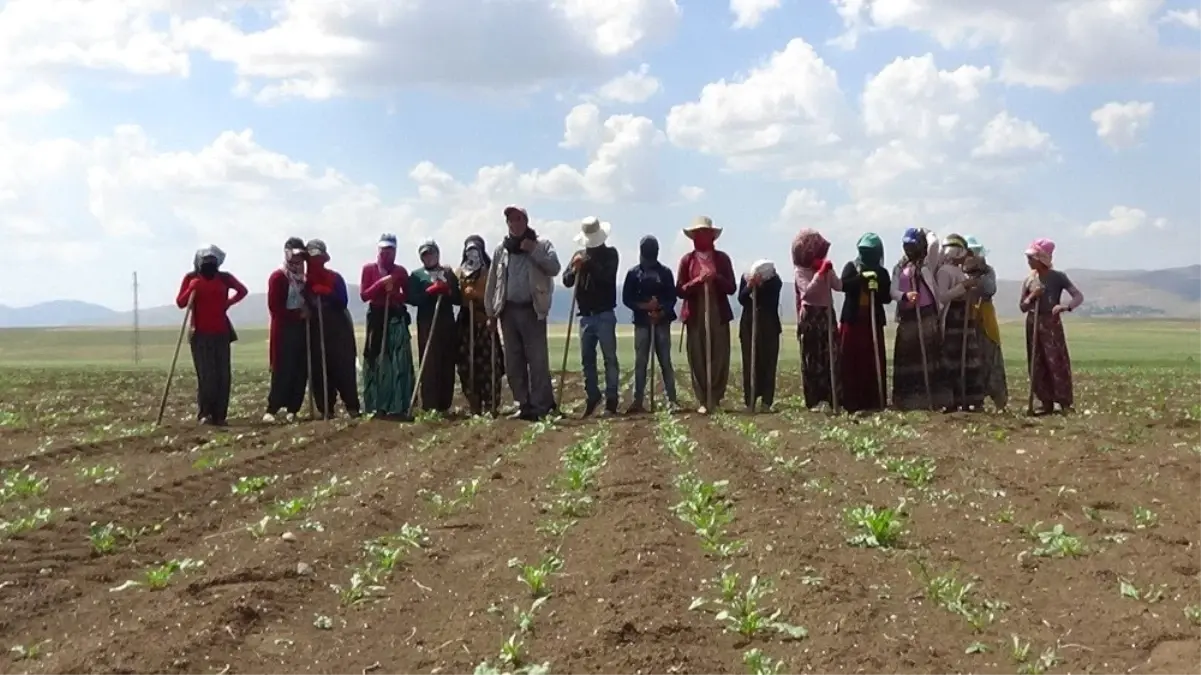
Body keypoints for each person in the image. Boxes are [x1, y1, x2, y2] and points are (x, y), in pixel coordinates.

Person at [484, 205, 562, 421]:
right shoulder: (501, 249)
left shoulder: (542, 244)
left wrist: (533, 251)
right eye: (510, 220)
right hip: (507, 311)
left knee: (537, 360)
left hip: (533, 309)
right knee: (513, 362)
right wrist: (491, 313)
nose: (514, 223)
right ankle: (523, 404)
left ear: (526, 221)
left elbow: (554, 268)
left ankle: (541, 405)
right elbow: (493, 282)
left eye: (518, 219)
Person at [176, 245, 247, 426]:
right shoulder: (191, 278)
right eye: (206, 262)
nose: (209, 266)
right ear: (198, 263)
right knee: (206, 375)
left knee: (223, 375)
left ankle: (220, 415)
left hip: (221, 333)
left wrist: (228, 303)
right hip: (200, 334)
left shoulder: (224, 278)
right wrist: (191, 288)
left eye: (212, 262)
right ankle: (205, 413)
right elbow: (181, 303)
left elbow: (242, 290)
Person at [675, 216, 736, 415]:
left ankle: (715, 398)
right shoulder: (687, 260)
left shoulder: (722, 259)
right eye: (697, 234)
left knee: (719, 355)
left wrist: (715, 278)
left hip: (718, 313)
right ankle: (702, 398)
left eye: (704, 233)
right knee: (698, 355)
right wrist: (698, 281)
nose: (700, 237)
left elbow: (731, 287)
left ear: (712, 237)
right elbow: (680, 290)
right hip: (695, 315)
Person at [562, 217, 621, 417]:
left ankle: (611, 400)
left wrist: (586, 264)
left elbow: (606, 275)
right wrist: (573, 269)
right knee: (587, 360)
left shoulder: (611, 254)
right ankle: (592, 396)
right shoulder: (578, 255)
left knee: (609, 358)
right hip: (585, 316)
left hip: (604, 314)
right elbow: (567, 280)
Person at [1019, 238, 1084, 414]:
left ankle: (1064, 402)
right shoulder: (1029, 280)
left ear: (1041, 258)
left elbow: (1078, 296)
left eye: (1031, 258)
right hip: (1033, 322)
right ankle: (1044, 401)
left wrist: (1066, 306)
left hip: (1051, 322)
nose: (1028, 261)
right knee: (1037, 362)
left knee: (1056, 361)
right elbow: (1023, 307)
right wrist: (1032, 296)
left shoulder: (1058, 277)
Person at [304, 239, 362, 419]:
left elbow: (343, 301)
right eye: (313, 260)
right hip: (316, 329)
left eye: (319, 259)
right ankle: (325, 409)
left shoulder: (335, 278)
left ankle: (352, 406)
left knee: (344, 368)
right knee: (319, 370)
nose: (316, 263)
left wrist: (327, 292)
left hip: (339, 329)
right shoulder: (304, 282)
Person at [622, 235, 679, 413]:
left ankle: (672, 400)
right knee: (641, 362)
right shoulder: (633, 274)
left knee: (665, 362)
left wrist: (660, 311)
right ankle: (638, 400)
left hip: (661, 323)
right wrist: (645, 307)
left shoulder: (665, 273)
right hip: (641, 323)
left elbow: (672, 298)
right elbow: (627, 299)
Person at [360, 233, 415, 418]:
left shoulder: (400, 271)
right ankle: (377, 404)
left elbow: (407, 296)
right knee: (375, 359)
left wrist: (395, 294)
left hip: (395, 318)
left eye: (390, 250)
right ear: (378, 250)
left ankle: (399, 405)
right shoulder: (369, 269)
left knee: (398, 363)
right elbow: (364, 295)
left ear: (395, 251)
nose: (387, 254)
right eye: (384, 250)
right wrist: (381, 284)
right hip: (376, 318)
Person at [838, 233, 892, 413]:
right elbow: (843, 285)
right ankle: (851, 401)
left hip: (872, 323)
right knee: (851, 361)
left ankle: (874, 400)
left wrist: (876, 286)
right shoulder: (851, 267)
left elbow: (886, 298)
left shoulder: (882, 272)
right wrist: (860, 279)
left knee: (872, 361)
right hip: (853, 322)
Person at [890, 228, 944, 410]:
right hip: (908, 318)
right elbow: (893, 291)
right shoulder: (899, 267)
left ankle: (930, 397)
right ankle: (906, 400)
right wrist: (905, 296)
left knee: (928, 355)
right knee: (908, 357)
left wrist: (927, 231)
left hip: (927, 315)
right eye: (905, 245)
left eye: (911, 245)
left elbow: (935, 243)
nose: (908, 249)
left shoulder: (928, 263)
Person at [408, 239, 461, 414]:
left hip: (446, 323)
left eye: (431, 253)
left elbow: (458, 299)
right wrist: (429, 292)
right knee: (429, 364)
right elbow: (411, 298)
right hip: (426, 323)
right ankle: (429, 405)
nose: (428, 257)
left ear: (437, 254)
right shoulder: (416, 276)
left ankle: (444, 404)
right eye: (425, 255)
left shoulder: (447, 272)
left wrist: (448, 291)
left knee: (447, 362)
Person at [792, 228, 843, 411]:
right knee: (813, 357)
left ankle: (832, 397)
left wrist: (830, 272)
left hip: (827, 314)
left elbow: (838, 286)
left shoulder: (824, 267)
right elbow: (808, 293)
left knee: (831, 355)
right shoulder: (800, 271)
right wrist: (820, 274)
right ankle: (815, 399)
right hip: (811, 317)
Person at [935, 234, 984, 412]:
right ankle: (952, 399)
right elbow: (942, 297)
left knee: (967, 359)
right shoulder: (944, 272)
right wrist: (963, 287)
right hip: (952, 321)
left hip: (965, 318)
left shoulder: (959, 271)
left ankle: (969, 398)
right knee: (952, 359)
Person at [457, 235, 505, 416]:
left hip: (484, 322)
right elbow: (455, 296)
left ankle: (491, 404)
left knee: (488, 364)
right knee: (466, 364)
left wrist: (477, 296)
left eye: (476, 250)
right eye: (469, 250)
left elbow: (495, 294)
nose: (472, 254)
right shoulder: (459, 272)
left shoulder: (490, 271)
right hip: (465, 324)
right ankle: (473, 404)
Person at [264, 237, 310, 423]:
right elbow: (275, 308)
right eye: (295, 255)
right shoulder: (278, 277)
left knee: (300, 369)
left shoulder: (304, 279)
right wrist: (298, 315)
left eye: (301, 256)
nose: (298, 261)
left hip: (302, 329)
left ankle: (293, 408)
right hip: (283, 330)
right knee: (282, 368)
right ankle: (273, 408)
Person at [964, 236, 1008, 410]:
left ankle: (999, 400)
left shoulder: (987, 271)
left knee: (991, 357)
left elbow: (990, 290)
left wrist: (978, 281)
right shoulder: (959, 271)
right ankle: (975, 399)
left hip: (985, 319)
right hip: (966, 319)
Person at [737, 259, 782, 412]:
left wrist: (760, 286)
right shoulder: (745, 279)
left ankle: (766, 402)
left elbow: (770, 301)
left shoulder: (775, 282)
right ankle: (750, 401)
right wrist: (750, 286)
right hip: (749, 325)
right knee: (750, 361)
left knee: (768, 362)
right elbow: (742, 299)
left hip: (768, 325)